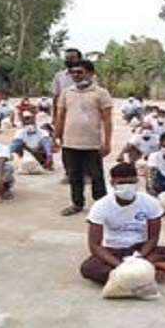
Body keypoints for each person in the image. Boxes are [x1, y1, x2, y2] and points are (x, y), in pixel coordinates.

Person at [80, 163, 165, 284]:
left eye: (131, 183)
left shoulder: (150, 202)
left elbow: (153, 238)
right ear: (112, 183)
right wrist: (122, 265)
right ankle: (146, 272)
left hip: (141, 248)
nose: (127, 187)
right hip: (113, 250)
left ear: (137, 182)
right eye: (121, 183)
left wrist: (139, 257)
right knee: (88, 268)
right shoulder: (101, 206)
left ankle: (129, 277)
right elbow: (95, 245)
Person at [54, 60, 113, 216]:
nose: (76, 75)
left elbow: (107, 120)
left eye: (80, 72)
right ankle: (77, 204)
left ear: (90, 73)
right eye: (73, 72)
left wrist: (107, 143)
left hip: (92, 143)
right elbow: (60, 116)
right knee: (74, 175)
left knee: (96, 176)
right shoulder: (67, 93)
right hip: (70, 142)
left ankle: (102, 206)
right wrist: (55, 137)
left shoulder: (101, 93)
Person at [51, 48, 83, 122]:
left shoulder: (89, 76)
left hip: (82, 115)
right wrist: (54, 117)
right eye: (66, 58)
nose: (68, 61)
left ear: (79, 59)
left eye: (72, 58)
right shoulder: (59, 76)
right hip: (63, 114)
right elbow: (55, 98)